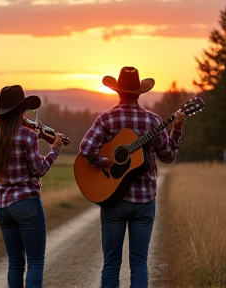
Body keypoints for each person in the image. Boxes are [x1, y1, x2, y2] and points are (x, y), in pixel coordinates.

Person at [78, 67, 185, 288]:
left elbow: (86, 149)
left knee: (111, 264)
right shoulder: (153, 120)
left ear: (118, 91)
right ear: (139, 93)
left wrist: (101, 162)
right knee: (139, 264)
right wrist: (176, 130)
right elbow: (168, 156)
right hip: (144, 201)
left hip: (112, 200)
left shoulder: (106, 119)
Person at [0, 85, 63, 288]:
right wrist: (54, 150)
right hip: (26, 203)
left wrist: (2, 197)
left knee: (15, 264)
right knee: (35, 262)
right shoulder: (27, 136)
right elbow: (39, 169)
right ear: (22, 110)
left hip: (2, 206)